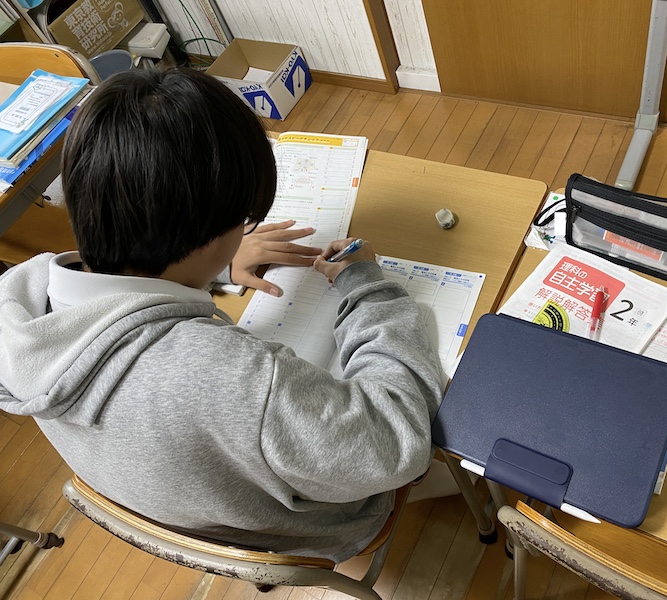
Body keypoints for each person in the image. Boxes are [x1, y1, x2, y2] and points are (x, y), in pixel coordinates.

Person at [0, 67, 443, 562]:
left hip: (191, 506)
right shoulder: (235, 380)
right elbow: (395, 440)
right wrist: (368, 288)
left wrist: (210, 266)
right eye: (244, 221)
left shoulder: (20, 305)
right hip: (302, 530)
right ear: (206, 235)